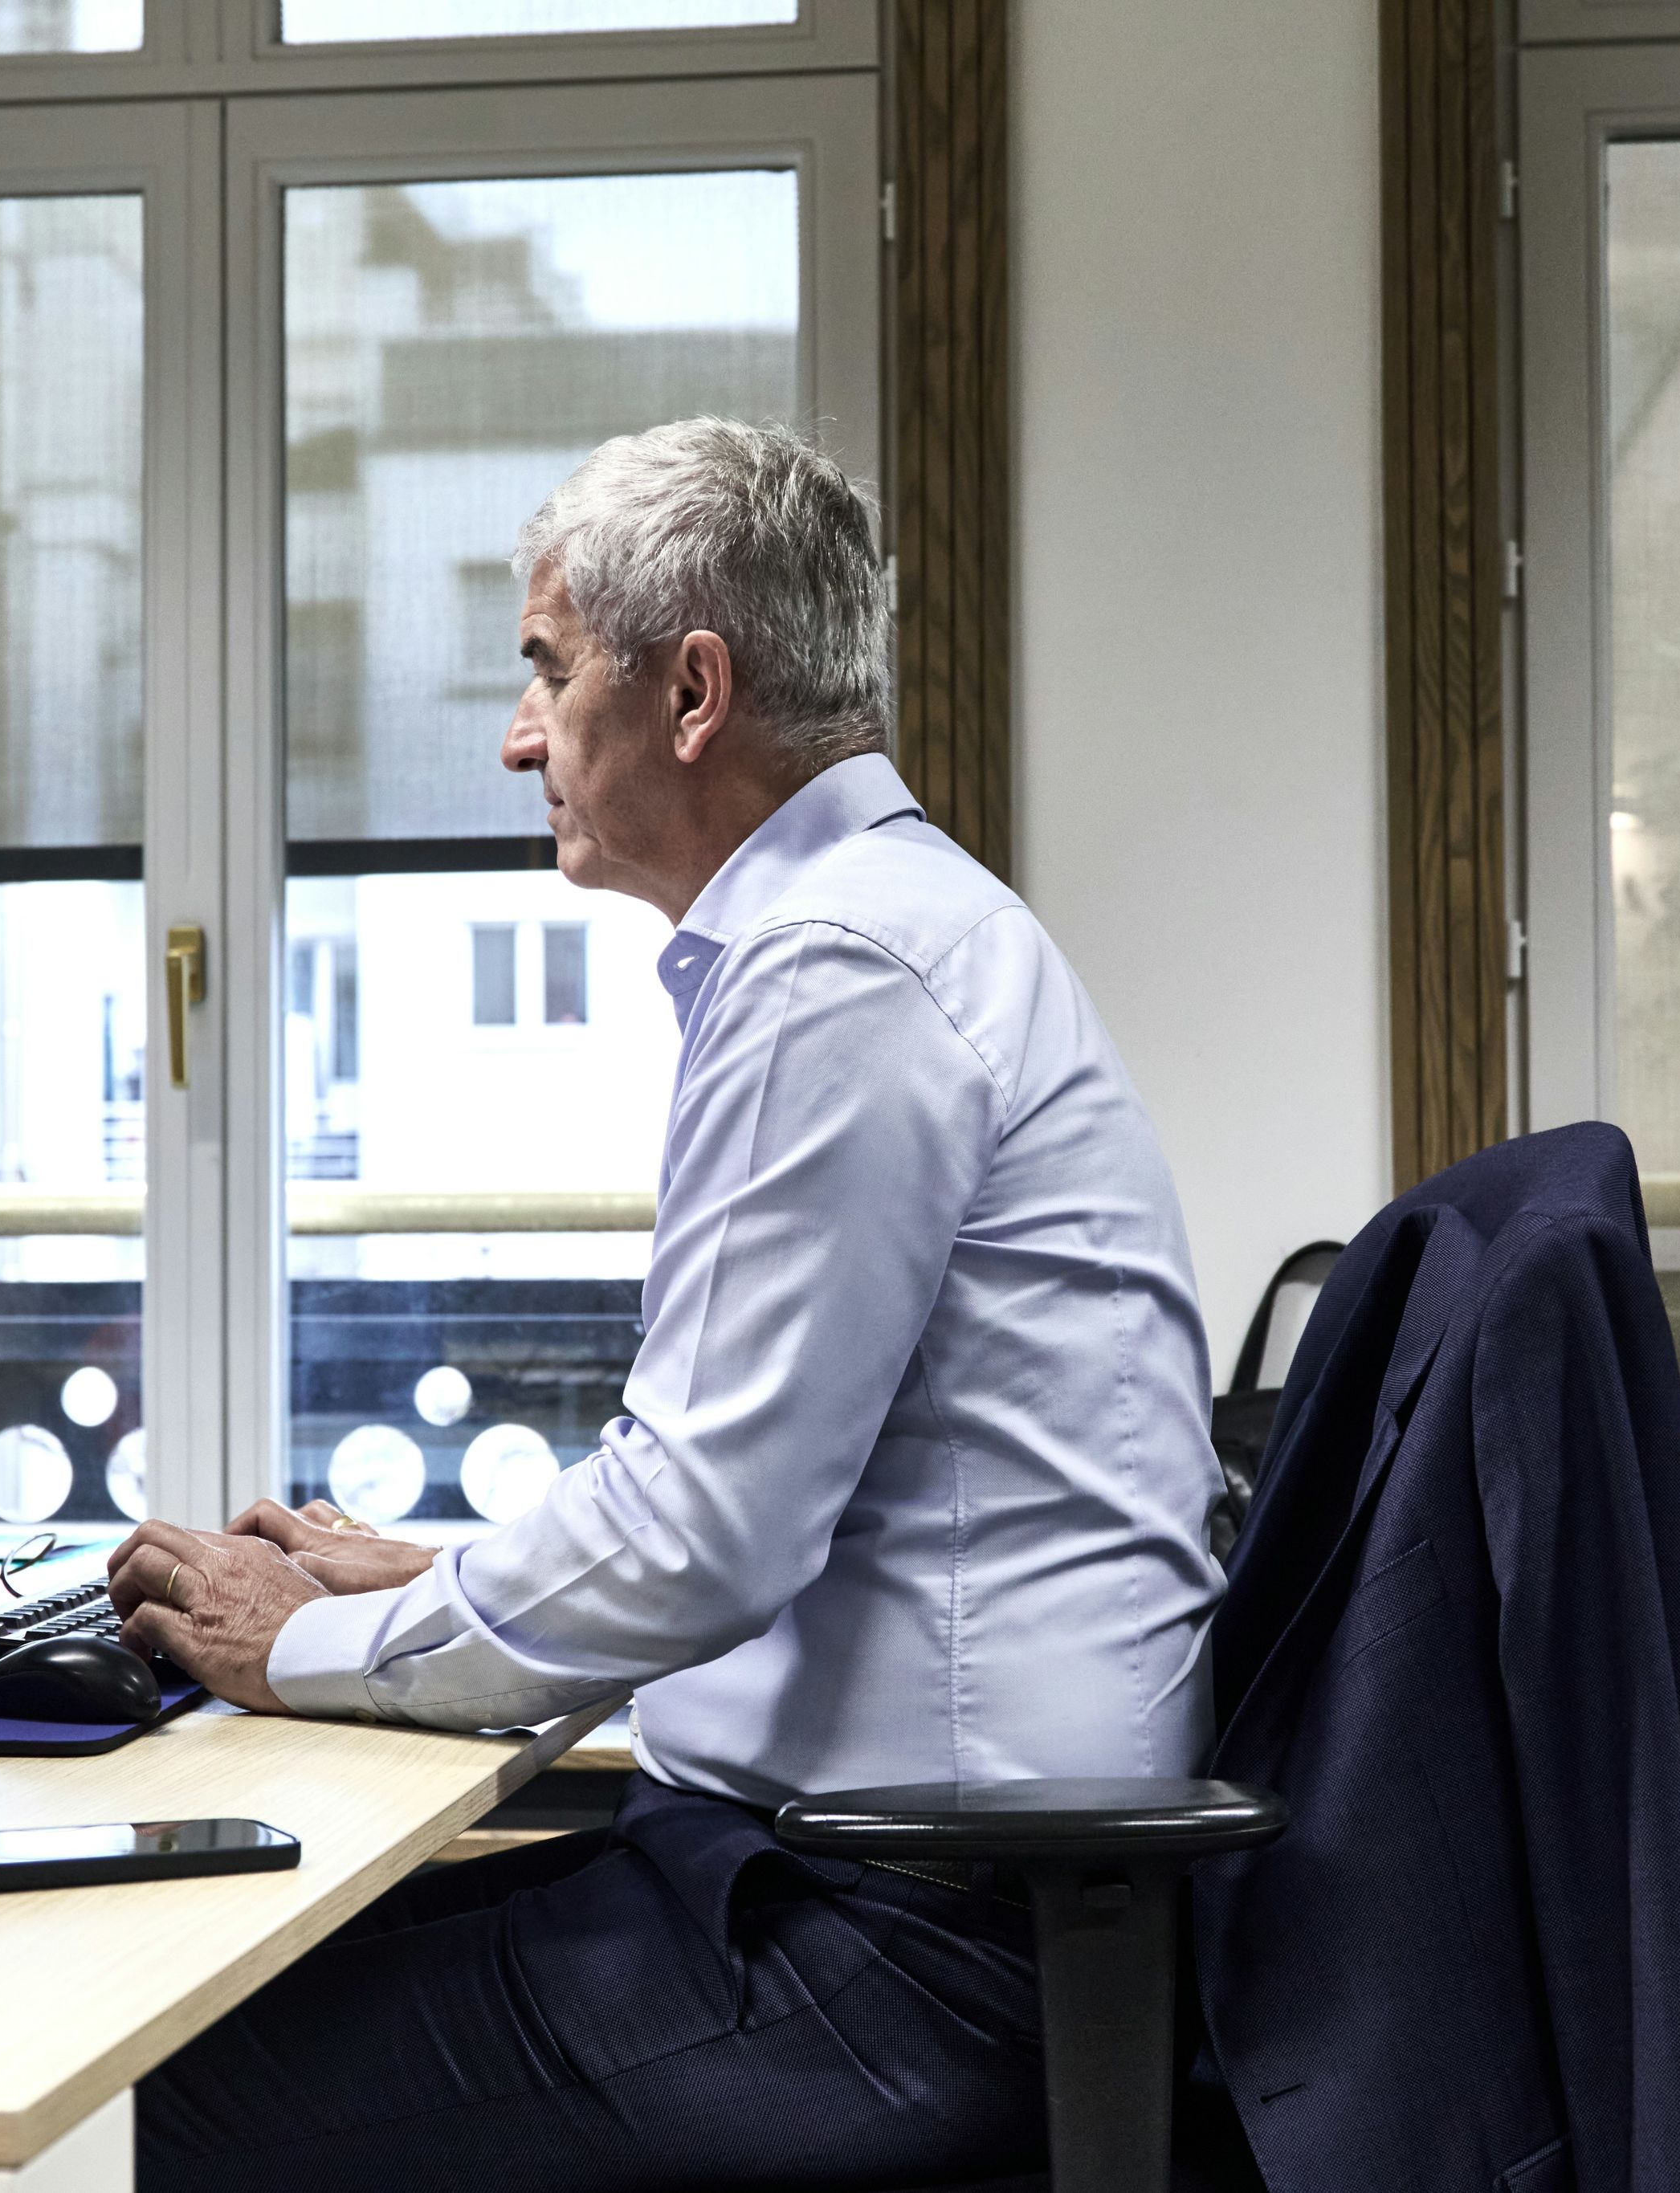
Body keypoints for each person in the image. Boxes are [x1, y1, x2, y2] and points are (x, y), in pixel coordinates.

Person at [113, 418, 1222, 2191]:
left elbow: (702, 1530)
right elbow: (733, 1491)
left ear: (692, 691)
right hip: (879, 1889)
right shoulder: (882, 931)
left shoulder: (839, 965)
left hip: (897, 1950)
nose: (519, 735)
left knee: (135, 2100)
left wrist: (292, 1646)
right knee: (191, 1986)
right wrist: (438, 1586)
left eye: (550, 670)